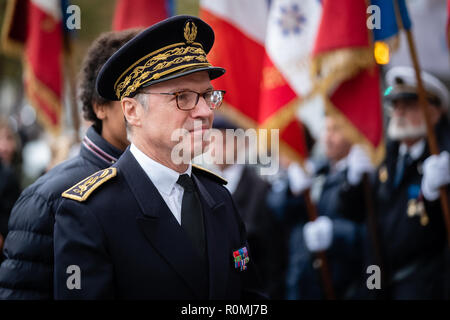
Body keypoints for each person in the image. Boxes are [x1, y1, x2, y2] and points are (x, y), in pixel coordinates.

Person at [54, 15, 263, 300]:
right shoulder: (90, 211)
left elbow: (248, 297)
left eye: (208, 95)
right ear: (132, 110)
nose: (204, 111)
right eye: (183, 97)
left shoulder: (219, 197)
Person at [0, 29, 139, 300]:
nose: (144, 106)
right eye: (132, 95)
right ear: (100, 106)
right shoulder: (48, 198)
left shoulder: (182, 184)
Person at [338, 66, 450, 299]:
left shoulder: (443, 160)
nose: (398, 112)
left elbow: (434, 231)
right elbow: (354, 213)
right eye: (396, 105)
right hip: (377, 280)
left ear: (434, 112)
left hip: (423, 285)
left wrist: (435, 195)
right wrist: (354, 184)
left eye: (409, 105)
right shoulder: (384, 156)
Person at [284, 116, 366, 300]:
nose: (328, 138)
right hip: (312, 283)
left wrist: (336, 232)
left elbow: (373, 232)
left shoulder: (362, 176)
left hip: (350, 284)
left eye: (336, 129)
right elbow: (285, 213)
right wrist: (291, 191)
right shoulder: (319, 171)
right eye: (326, 129)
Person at [204, 115, 286, 299]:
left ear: (243, 143)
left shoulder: (261, 190)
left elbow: (272, 256)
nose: (216, 148)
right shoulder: (203, 186)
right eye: (211, 140)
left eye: (224, 141)